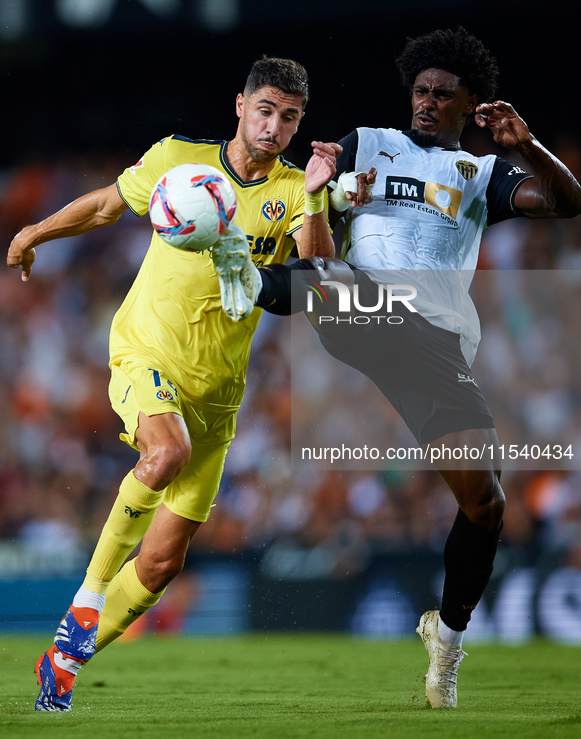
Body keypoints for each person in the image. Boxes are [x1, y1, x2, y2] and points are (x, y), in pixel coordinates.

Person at [212, 28, 581, 708]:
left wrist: (524, 144)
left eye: (443, 94)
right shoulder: (367, 143)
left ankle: (444, 637)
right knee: (328, 275)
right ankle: (251, 283)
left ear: (471, 103)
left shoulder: (482, 174)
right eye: (419, 90)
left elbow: (567, 204)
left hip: (437, 345)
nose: (426, 102)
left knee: (485, 502)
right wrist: (318, 195)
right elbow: (320, 248)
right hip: (364, 311)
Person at [7, 56, 339, 712]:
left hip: (217, 392)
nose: (275, 126)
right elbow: (107, 203)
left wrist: (319, 195)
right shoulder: (177, 160)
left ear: (299, 124)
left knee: (160, 566)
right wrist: (37, 230)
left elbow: (319, 280)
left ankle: (66, 658)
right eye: (265, 110)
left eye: (290, 117)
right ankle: (86, 599)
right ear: (239, 106)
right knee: (165, 453)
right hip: (145, 354)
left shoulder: (300, 188)